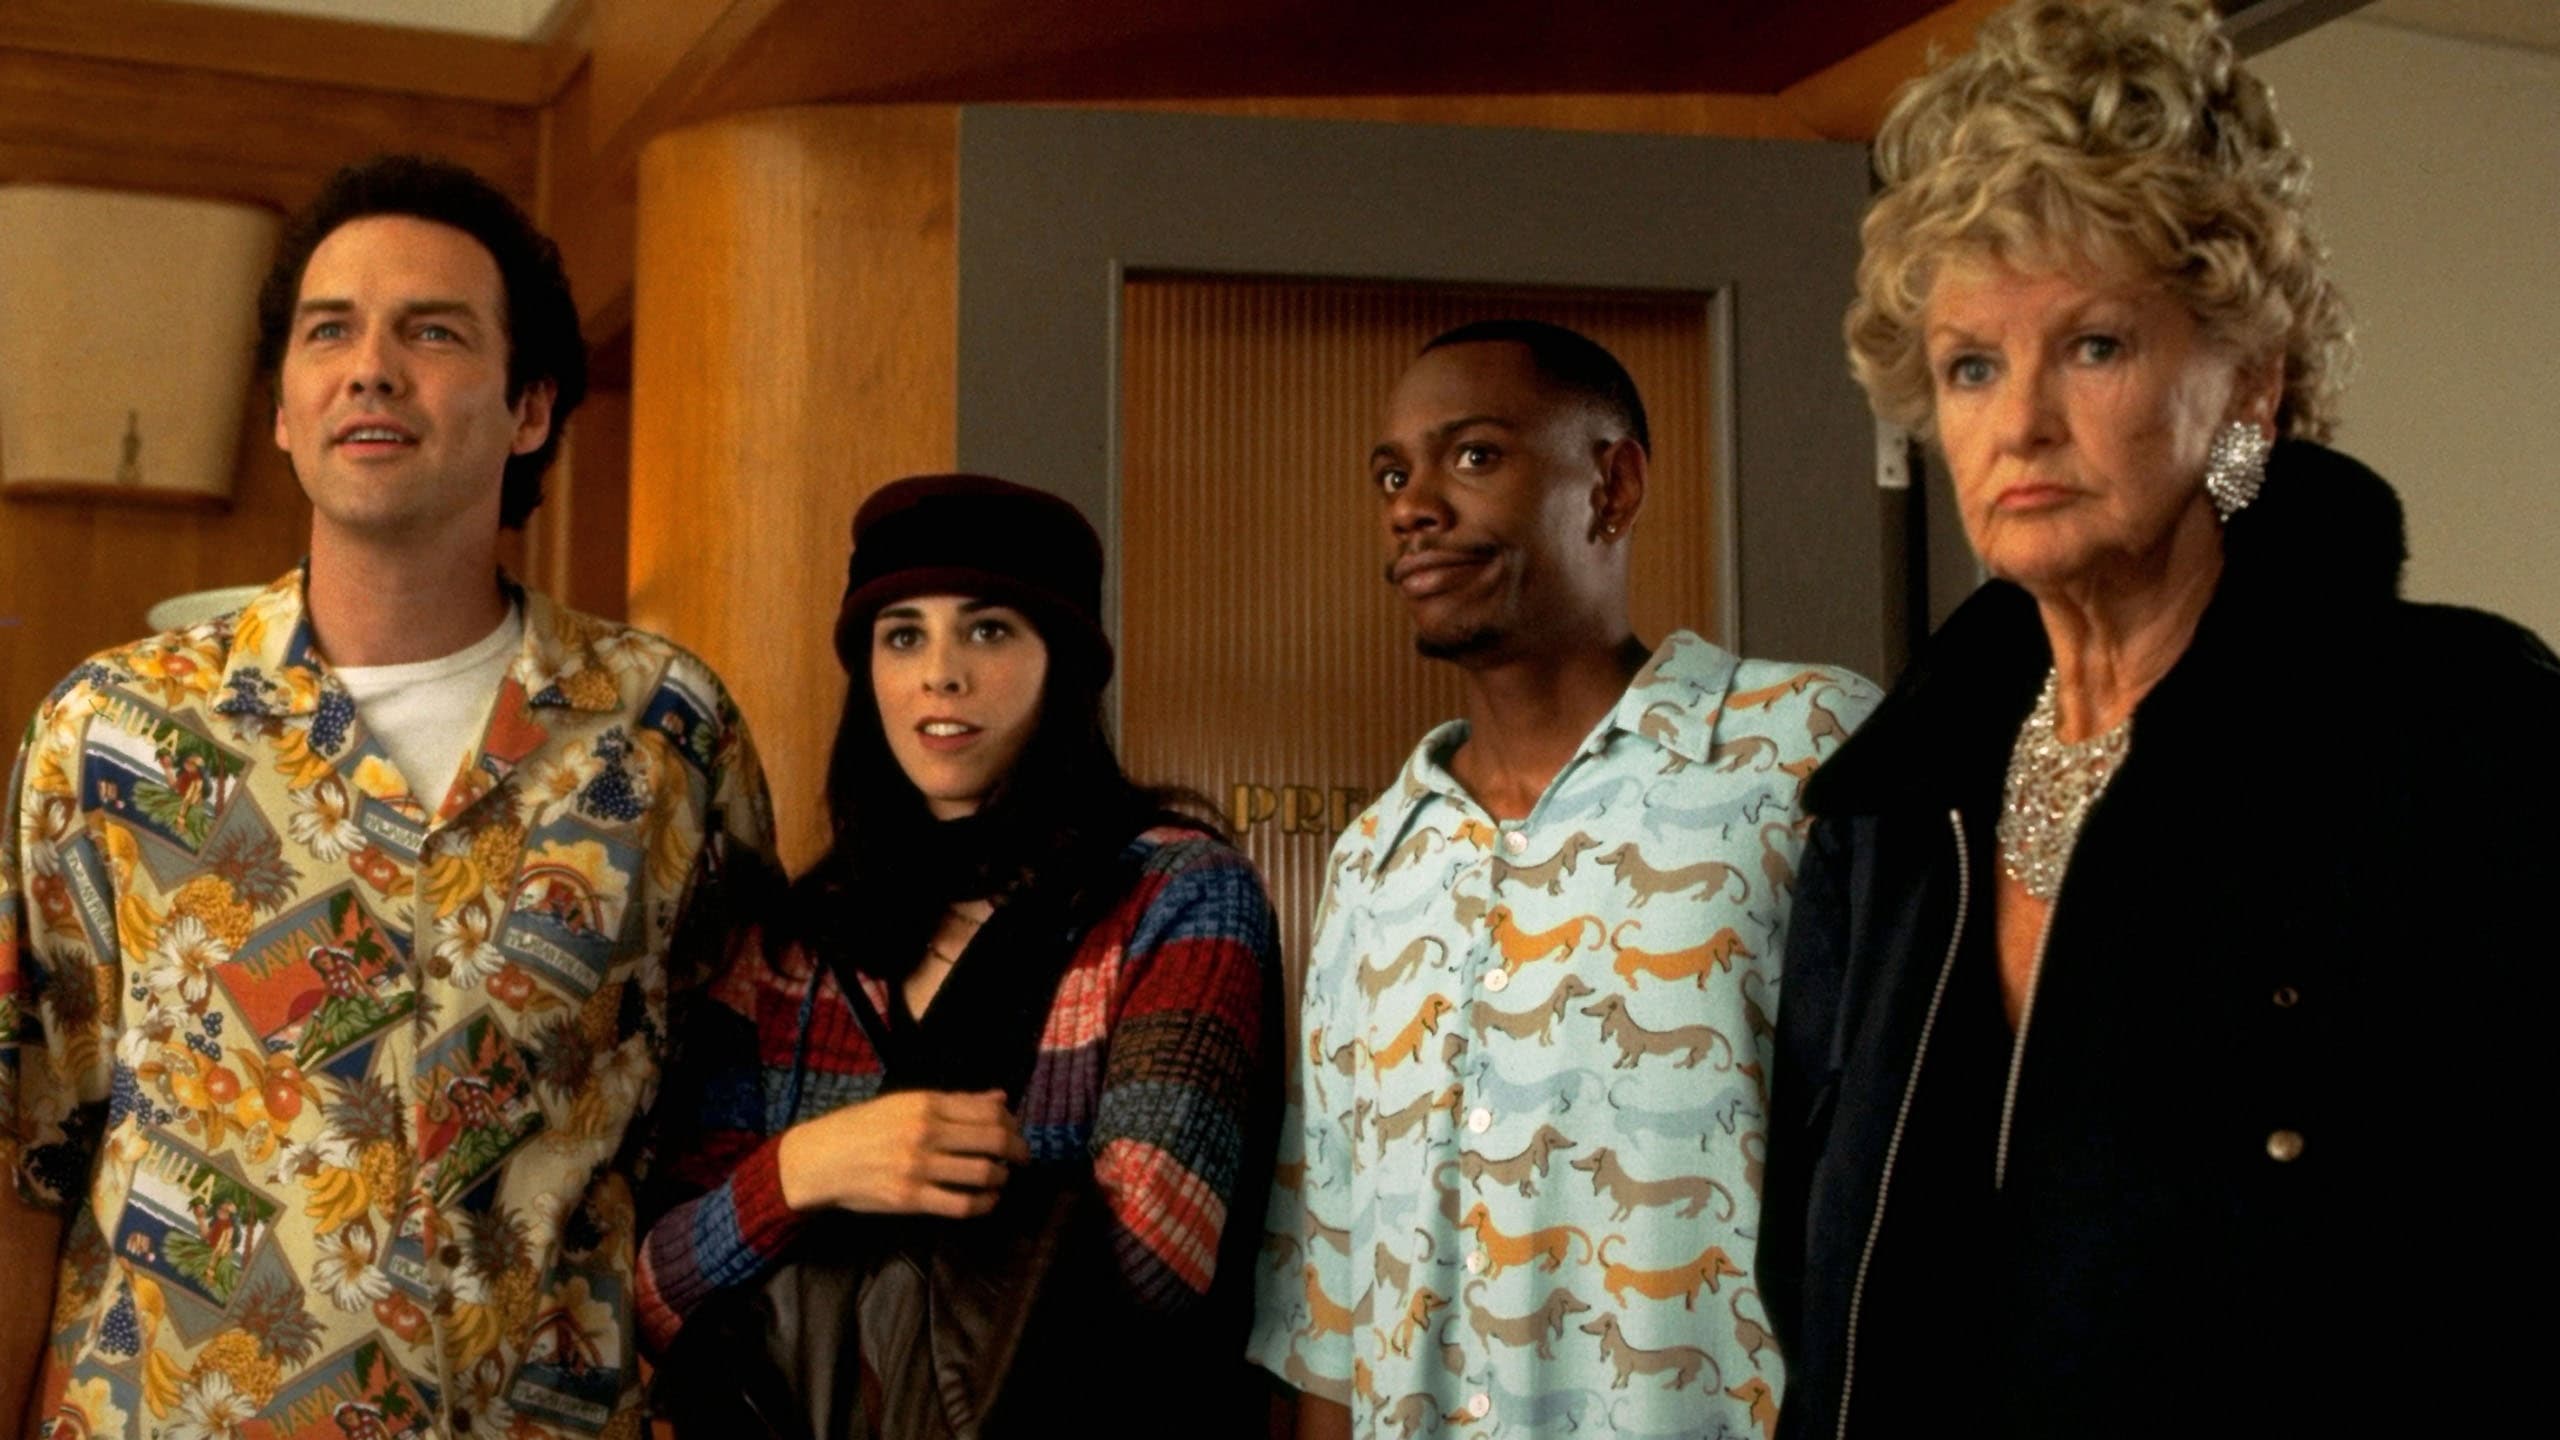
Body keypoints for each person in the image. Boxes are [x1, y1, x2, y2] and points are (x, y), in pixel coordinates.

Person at [1761, 2, 2560, 1435]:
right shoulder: (1890, 815)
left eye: (2093, 346)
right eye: (1970, 365)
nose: (2019, 423)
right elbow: (1818, 1301)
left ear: (2248, 381)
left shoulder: (2458, 739)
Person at [0, 154, 775, 1438]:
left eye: (433, 332)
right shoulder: (113, 734)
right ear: (283, 411)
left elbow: (722, 1129)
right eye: (329, 332)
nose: (370, 368)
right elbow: (25, 1148)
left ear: (530, 409)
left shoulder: (663, 732)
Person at [1249, 320, 1879, 1437]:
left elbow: (1908, 1177)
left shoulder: (1806, 753)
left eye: (1474, 456)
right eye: (1391, 475)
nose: (1412, 506)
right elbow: (1329, 1295)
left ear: (1612, 486)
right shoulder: (1373, 861)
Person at [634, 474, 1280, 1432]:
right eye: (903, 635)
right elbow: (654, 1293)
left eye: (988, 630)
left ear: (1064, 663)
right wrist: (809, 1167)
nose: (941, 674)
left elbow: (1156, 1265)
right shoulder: (790, 947)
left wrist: (898, 1174)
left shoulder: (1171, 895)